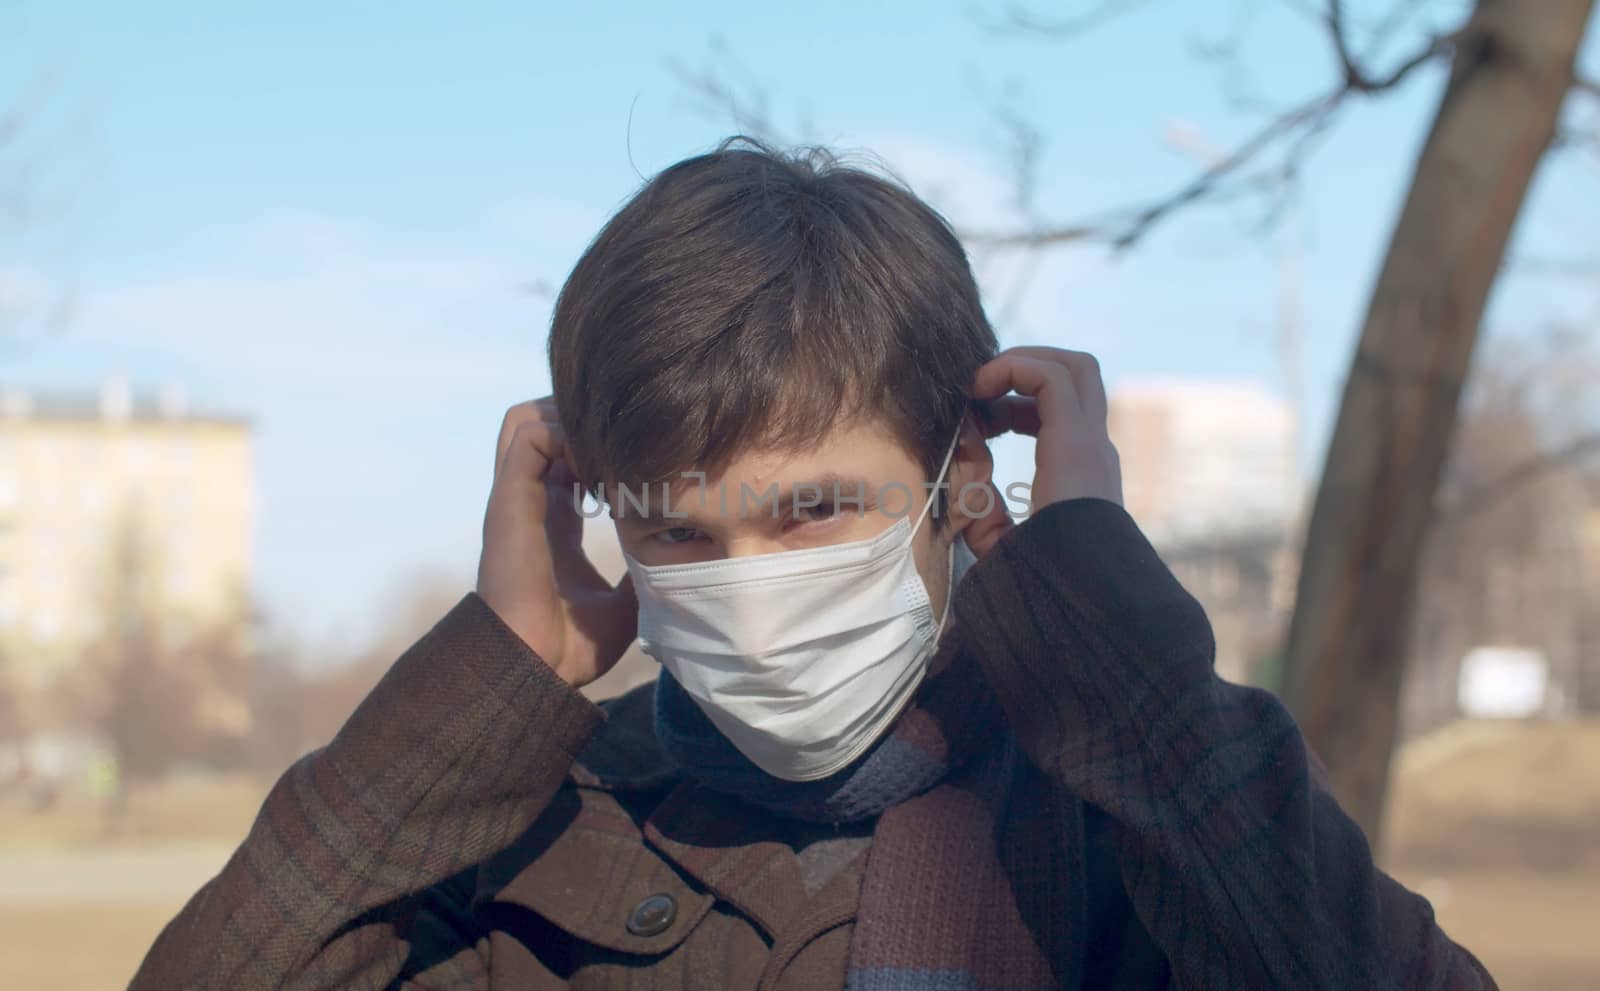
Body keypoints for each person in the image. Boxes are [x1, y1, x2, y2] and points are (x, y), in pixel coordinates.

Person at [131, 138, 1496, 990]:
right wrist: (492, 697)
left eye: (816, 510)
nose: (753, 592)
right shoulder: (523, 839)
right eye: (675, 527)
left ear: (960, 472)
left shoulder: (1140, 815)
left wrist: (1120, 672)